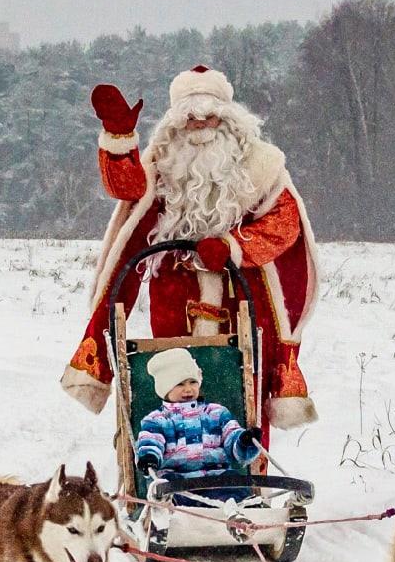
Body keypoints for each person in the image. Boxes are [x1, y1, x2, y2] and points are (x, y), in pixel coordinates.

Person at [61, 65, 320, 438]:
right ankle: (170, 465)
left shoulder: (263, 165)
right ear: (175, 122)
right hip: (175, 293)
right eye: (190, 117)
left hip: (242, 296)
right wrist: (119, 137)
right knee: (170, 379)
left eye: (209, 115)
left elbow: (284, 223)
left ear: (229, 119)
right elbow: (128, 187)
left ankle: (246, 473)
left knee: (244, 383)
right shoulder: (162, 161)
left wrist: (233, 246)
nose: (199, 124)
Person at [135, 348, 263, 480]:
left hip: (216, 478)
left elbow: (231, 436)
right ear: (165, 389)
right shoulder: (157, 420)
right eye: (180, 384)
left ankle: (239, 500)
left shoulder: (216, 413)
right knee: (171, 493)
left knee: (235, 486)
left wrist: (244, 442)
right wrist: (149, 457)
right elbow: (151, 441)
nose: (188, 389)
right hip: (175, 480)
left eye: (193, 382)